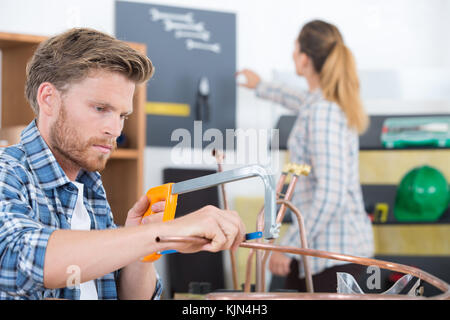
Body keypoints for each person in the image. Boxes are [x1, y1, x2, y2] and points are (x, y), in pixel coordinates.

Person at [0, 28, 245, 300]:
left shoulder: (90, 189)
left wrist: (141, 248)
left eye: (122, 115)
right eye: (100, 109)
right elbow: (21, 258)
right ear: (49, 99)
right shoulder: (7, 172)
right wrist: (162, 232)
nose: (114, 130)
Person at [236, 20, 374, 292]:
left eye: (295, 48)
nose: (292, 55)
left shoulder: (323, 113)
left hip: (332, 259)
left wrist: (288, 248)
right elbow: (298, 99)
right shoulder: (321, 104)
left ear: (305, 58)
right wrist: (261, 86)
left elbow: (331, 193)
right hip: (327, 255)